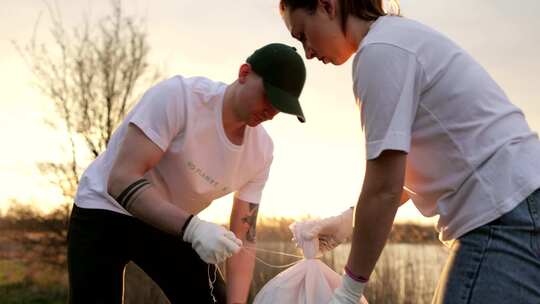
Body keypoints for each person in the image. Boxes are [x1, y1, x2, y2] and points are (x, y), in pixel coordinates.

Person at [279, 1, 540, 303]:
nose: (308, 52)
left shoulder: (379, 52)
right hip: (521, 205)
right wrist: (347, 221)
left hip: (503, 215)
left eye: (302, 35)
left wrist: (348, 292)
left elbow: (383, 188)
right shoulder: (399, 38)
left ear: (327, 6)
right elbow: (407, 175)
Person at [67, 43, 307, 304]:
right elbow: (121, 179)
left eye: (281, 107)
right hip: (104, 209)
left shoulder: (261, 152)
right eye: (268, 96)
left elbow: (244, 237)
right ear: (244, 73)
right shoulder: (179, 97)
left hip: (169, 223)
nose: (271, 112)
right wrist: (193, 229)